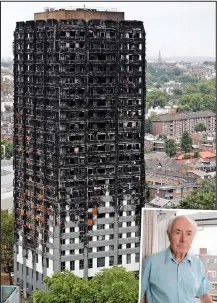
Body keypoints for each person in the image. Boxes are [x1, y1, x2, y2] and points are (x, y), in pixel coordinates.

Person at [140, 215, 212, 303]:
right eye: (178, 233)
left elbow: (204, 295)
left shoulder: (197, 263)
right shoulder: (150, 263)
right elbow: (138, 296)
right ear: (168, 235)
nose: (184, 239)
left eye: (188, 234)